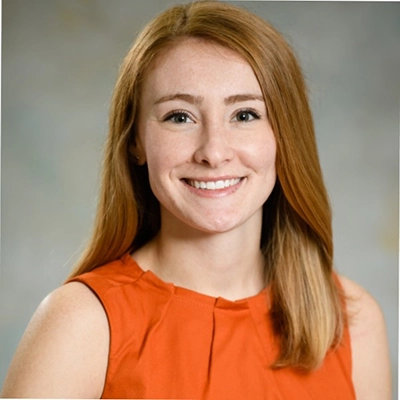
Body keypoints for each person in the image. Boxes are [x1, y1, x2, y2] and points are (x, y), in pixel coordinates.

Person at [1, 1, 391, 399]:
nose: (214, 152)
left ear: (285, 136)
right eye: (179, 116)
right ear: (136, 140)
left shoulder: (352, 320)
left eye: (244, 115)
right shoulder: (80, 324)